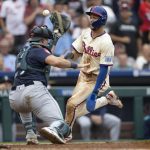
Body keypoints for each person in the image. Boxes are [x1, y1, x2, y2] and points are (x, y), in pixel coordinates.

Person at [9, 25, 89, 144]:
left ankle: (30, 134)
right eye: (46, 40)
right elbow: (55, 61)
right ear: (42, 40)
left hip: (15, 98)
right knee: (62, 126)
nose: (47, 42)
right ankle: (53, 129)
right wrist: (75, 65)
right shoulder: (38, 50)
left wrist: (58, 44)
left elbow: (48, 57)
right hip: (33, 91)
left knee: (25, 107)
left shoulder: (23, 52)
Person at [63, 6, 123, 141]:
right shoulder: (85, 33)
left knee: (71, 105)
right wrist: (67, 56)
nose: (91, 19)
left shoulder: (107, 42)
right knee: (73, 109)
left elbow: (104, 70)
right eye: (90, 16)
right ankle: (107, 99)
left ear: (102, 20)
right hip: (83, 76)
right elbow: (76, 52)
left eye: (95, 17)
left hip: (97, 78)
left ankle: (66, 133)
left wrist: (95, 92)